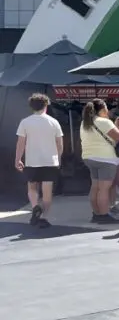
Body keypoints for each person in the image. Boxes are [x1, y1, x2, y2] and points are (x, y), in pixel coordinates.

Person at [15, 92, 63, 229]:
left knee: (32, 187)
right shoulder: (54, 122)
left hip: (32, 161)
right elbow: (60, 144)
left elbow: (21, 143)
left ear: (31, 106)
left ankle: (35, 206)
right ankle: (43, 216)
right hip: (50, 161)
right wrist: (58, 158)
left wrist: (18, 159)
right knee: (47, 193)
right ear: (46, 105)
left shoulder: (25, 122)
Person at [79, 98, 119, 225]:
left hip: (89, 158)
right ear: (103, 109)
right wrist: (118, 126)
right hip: (106, 159)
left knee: (95, 187)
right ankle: (104, 215)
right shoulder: (105, 122)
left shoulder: (85, 123)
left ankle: (96, 214)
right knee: (104, 189)